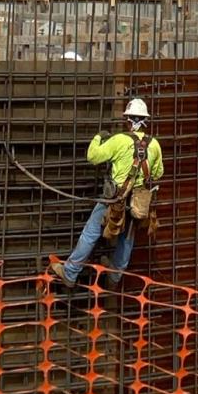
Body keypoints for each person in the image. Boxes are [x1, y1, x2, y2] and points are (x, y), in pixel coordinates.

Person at [50, 98, 163, 289]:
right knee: (127, 239)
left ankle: (70, 273)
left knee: (91, 233)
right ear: (145, 120)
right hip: (137, 202)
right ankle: (115, 277)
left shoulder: (119, 140)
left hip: (114, 199)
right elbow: (158, 173)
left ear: (127, 120)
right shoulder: (154, 145)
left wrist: (98, 138)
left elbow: (92, 157)